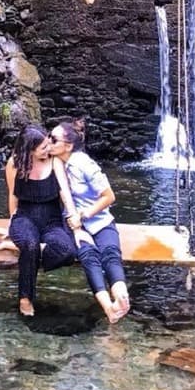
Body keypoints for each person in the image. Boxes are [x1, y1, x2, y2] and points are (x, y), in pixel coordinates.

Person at [48, 119, 130, 324]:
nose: (48, 140)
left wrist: (84, 215)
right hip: (74, 224)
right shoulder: (58, 161)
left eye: (53, 138)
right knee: (88, 255)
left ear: (67, 146)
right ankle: (109, 309)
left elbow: (109, 196)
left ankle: (121, 296)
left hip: (99, 219)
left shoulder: (84, 164)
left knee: (111, 253)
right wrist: (76, 223)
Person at [0, 124, 77, 317]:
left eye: (48, 143)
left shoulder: (55, 162)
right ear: (29, 150)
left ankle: (29, 254)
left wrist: (74, 215)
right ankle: (25, 298)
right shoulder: (14, 163)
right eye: (43, 147)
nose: (48, 148)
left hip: (52, 221)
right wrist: (12, 223)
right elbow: (13, 196)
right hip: (25, 217)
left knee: (67, 252)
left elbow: (64, 192)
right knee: (30, 244)